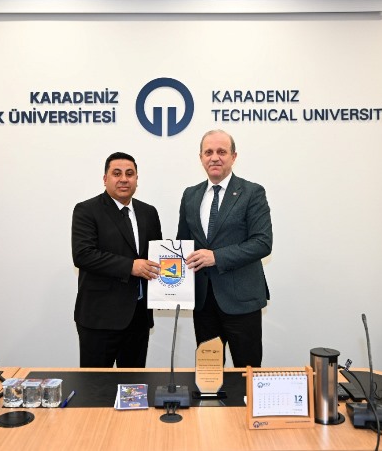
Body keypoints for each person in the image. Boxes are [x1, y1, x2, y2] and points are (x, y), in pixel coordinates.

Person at [176, 130, 272, 367]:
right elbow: (182, 244)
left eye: (221, 152)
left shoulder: (252, 192)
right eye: (208, 152)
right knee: (209, 375)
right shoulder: (190, 195)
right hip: (203, 302)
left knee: (247, 373)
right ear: (201, 157)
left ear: (233, 156)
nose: (215, 157)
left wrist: (216, 257)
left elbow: (262, 242)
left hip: (242, 301)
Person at [71, 152, 162, 367]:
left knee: (133, 384)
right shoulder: (87, 210)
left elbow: (157, 257)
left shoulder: (148, 212)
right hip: (100, 319)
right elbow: (83, 255)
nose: (124, 179)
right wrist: (130, 266)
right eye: (117, 173)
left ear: (137, 179)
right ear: (105, 179)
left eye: (129, 174)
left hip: (138, 318)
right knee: (95, 385)